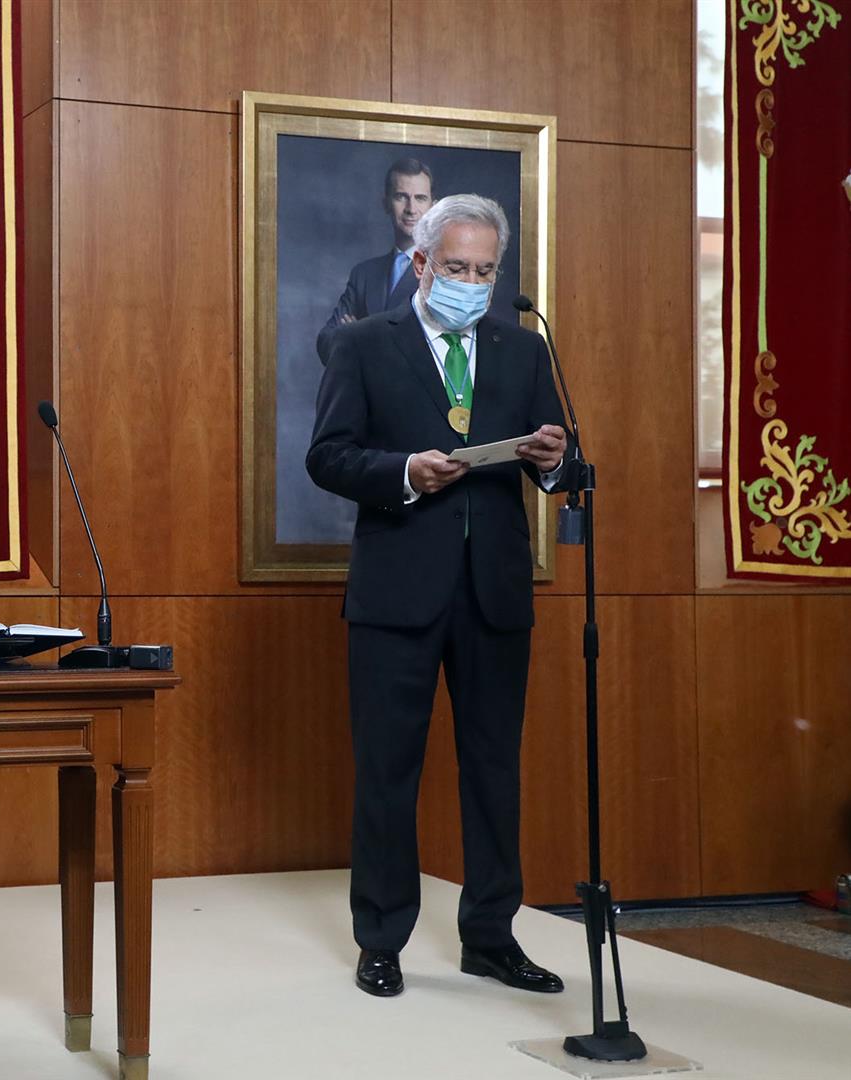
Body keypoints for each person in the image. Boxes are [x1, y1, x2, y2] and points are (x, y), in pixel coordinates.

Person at [305, 194, 571, 999]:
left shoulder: (521, 350)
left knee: (493, 770)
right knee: (389, 770)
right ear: (420, 263)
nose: (471, 281)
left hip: (493, 591)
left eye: (485, 270)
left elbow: (559, 459)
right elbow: (328, 456)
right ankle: (380, 938)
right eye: (456, 267)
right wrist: (404, 474)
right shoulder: (361, 344)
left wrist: (554, 460)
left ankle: (490, 935)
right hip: (396, 590)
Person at [316, 158, 435, 365]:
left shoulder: (442, 273)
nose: (411, 208)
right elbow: (325, 340)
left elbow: (430, 353)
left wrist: (358, 337)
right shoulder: (364, 274)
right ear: (386, 203)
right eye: (401, 197)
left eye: (420, 198)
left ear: (433, 206)